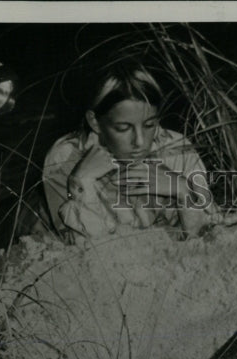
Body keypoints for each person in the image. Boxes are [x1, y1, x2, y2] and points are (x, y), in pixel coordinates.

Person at [42, 61, 216, 243]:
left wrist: (182, 190)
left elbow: (210, 237)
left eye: (149, 125)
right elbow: (82, 252)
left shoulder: (177, 148)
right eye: (124, 128)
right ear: (94, 122)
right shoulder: (64, 157)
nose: (140, 142)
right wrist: (81, 184)